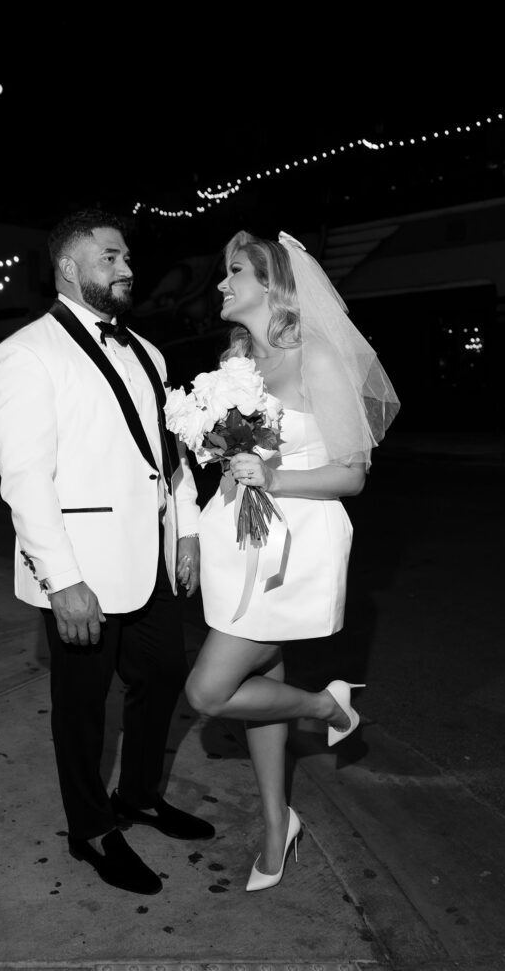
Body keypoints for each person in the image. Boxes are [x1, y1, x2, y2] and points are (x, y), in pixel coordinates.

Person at [0, 208, 213, 897]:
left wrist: (189, 529)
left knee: (164, 676)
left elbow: (163, 459)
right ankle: (89, 828)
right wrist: (62, 581)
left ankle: (139, 794)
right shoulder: (24, 353)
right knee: (82, 708)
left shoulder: (149, 352)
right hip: (81, 568)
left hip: (150, 559)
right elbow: (24, 481)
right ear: (69, 267)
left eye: (126, 258)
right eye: (110, 256)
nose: (126, 267)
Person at [185, 230, 399, 892]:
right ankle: (278, 825)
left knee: (208, 692)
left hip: (291, 544)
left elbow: (350, 475)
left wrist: (269, 478)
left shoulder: (319, 359)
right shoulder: (238, 359)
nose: (222, 283)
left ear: (274, 283)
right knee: (261, 672)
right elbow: (236, 451)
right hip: (239, 541)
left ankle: (325, 705)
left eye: (235, 271)